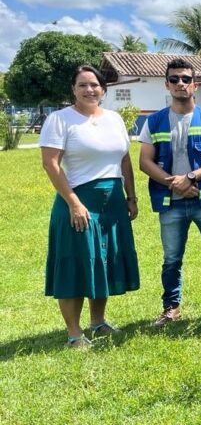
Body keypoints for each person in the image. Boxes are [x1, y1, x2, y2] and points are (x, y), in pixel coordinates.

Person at [39, 65, 140, 348]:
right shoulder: (60, 120)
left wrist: (131, 196)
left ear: (103, 89)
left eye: (94, 84)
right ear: (73, 89)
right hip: (79, 201)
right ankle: (74, 333)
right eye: (82, 85)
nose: (89, 90)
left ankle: (98, 321)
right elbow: (50, 164)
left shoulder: (115, 119)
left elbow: (124, 160)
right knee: (76, 262)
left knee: (103, 260)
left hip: (113, 202)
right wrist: (73, 202)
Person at [139, 58, 201, 326]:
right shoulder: (154, 122)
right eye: (174, 79)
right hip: (170, 202)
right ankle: (171, 307)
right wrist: (175, 183)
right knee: (171, 259)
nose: (180, 84)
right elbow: (144, 161)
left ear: (195, 84)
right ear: (167, 84)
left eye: (185, 79)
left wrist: (191, 177)